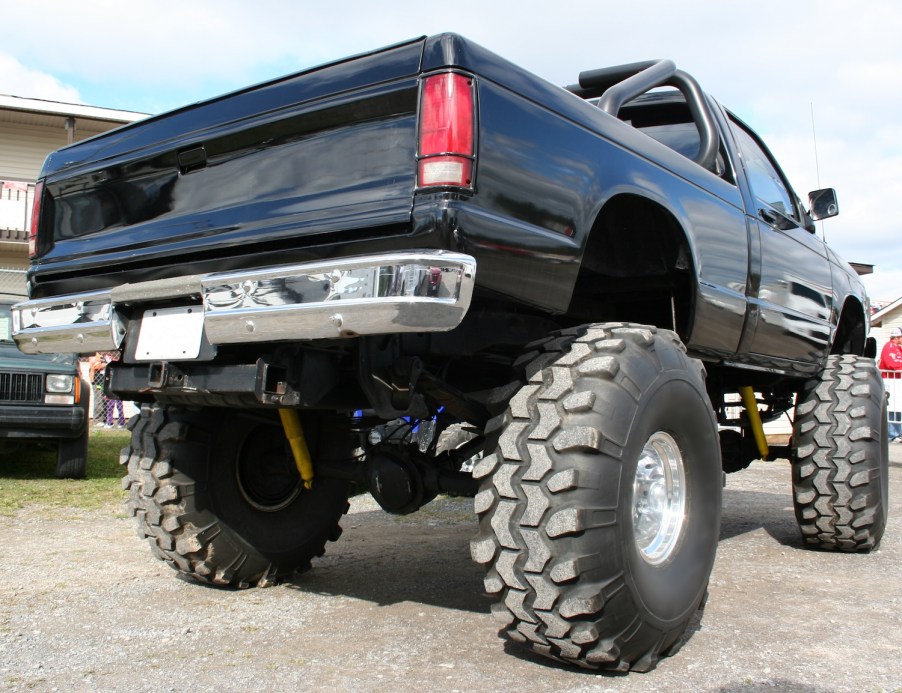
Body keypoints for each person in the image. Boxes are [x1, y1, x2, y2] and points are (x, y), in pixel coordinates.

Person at [879, 326, 902, 441]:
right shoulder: (889, 347)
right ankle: (893, 434)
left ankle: (897, 432)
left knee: (898, 407)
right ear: (897, 337)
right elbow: (891, 364)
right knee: (893, 407)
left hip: (898, 382)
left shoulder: (898, 348)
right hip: (891, 382)